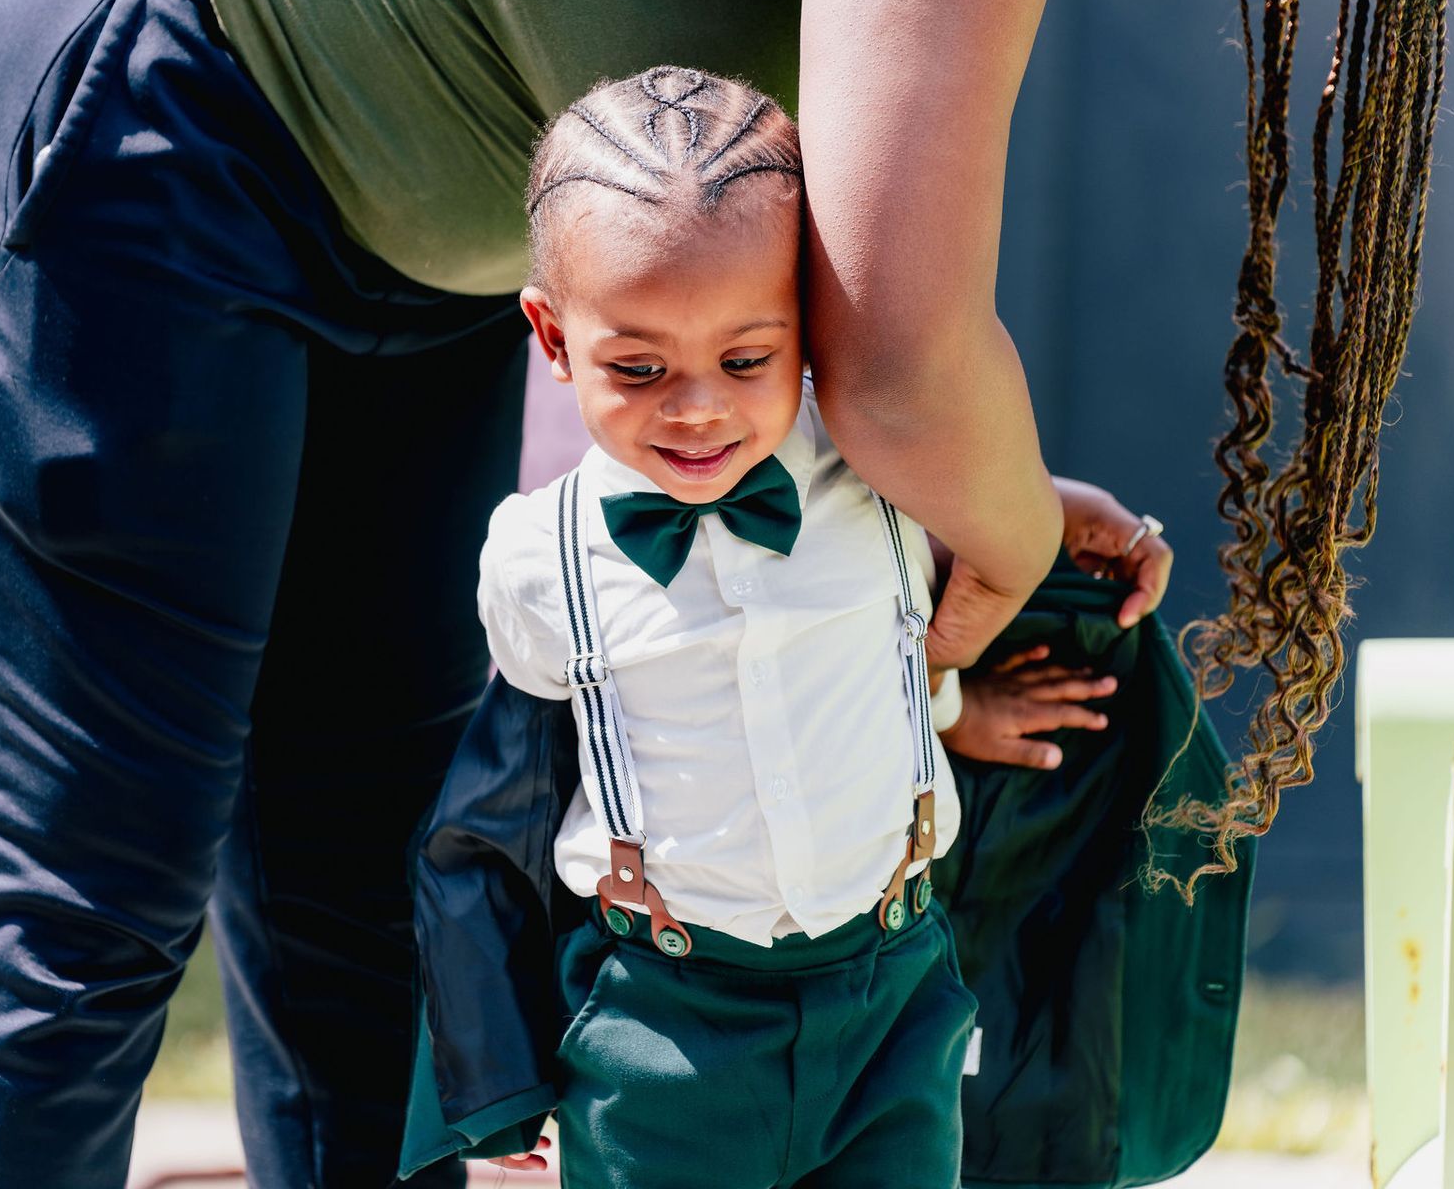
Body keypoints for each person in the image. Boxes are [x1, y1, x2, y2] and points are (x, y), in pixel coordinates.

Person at [0, 0, 1226, 1184]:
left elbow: (846, 349)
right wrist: (1001, 521)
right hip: (169, 91)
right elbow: (902, 380)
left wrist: (977, 495)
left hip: (423, 249)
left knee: (366, 875)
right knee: (90, 894)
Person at [400, 68, 1133, 1187]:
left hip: (891, 1005)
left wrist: (975, 676)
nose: (697, 406)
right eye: (639, 367)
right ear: (553, 337)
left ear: (809, 321)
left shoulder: (885, 477)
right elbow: (491, 816)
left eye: (746, 359)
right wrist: (491, 1072)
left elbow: (872, 650)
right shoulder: (541, 560)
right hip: (665, 1034)